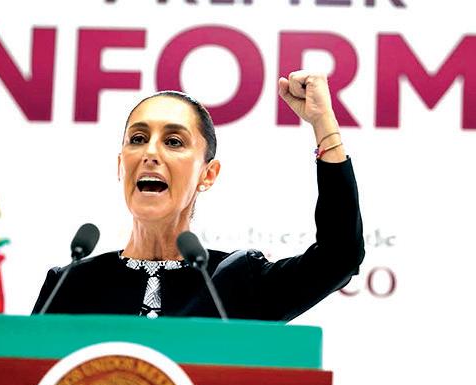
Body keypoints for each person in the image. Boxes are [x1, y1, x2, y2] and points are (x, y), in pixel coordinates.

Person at [32, 71, 364, 321]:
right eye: (138, 139)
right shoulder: (70, 284)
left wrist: (323, 124)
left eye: (173, 142)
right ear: (121, 166)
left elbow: (340, 258)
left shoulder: (236, 280)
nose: (150, 153)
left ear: (208, 174)